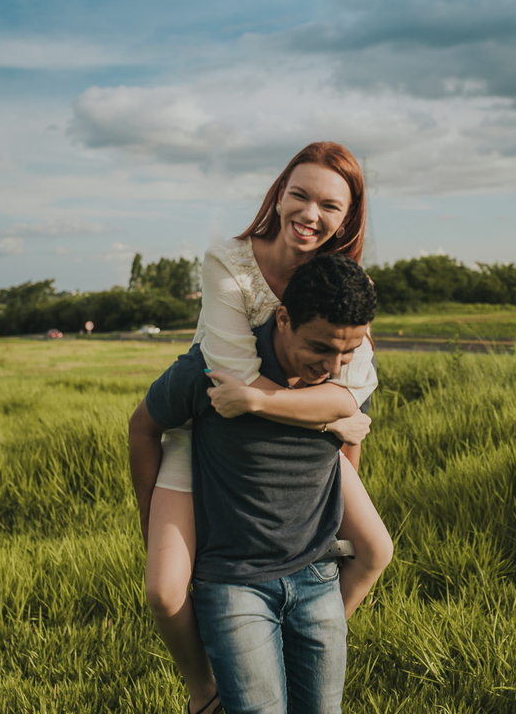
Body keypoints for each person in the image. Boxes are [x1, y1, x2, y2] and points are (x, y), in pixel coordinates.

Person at [130, 143, 394, 712]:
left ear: (347, 218)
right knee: (165, 587)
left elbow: (353, 384)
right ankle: (206, 690)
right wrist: (333, 412)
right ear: (278, 196)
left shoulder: (340, 283)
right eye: (298, 194)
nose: (310, 214)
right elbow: (236, 380)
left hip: (296, 428)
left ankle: (299, 640)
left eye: (330, 205)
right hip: (212, 418)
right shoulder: (231, 261)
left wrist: (338, 417)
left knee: (375, 547)